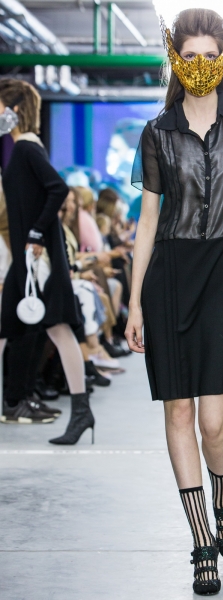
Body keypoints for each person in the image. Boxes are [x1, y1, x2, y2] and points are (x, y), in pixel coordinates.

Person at [125, 9, 223, 596]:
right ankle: (201, 545)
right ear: (174, 58)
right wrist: (134, 302)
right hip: (168, 276)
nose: (198, 65)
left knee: (216, 424)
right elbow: (147, 221)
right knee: (178, 414)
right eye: (187, 55)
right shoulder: (157, 132)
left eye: (208, 55)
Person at [0, 79, 94, 443]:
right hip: (29, 256)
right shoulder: (22, 147)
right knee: (11, 328)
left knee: (57, 329)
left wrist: (37, 233)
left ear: (14, 110)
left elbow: (58, 187)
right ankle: (80, 412)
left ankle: (82, 412)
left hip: (35, 257)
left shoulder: (25, 148)